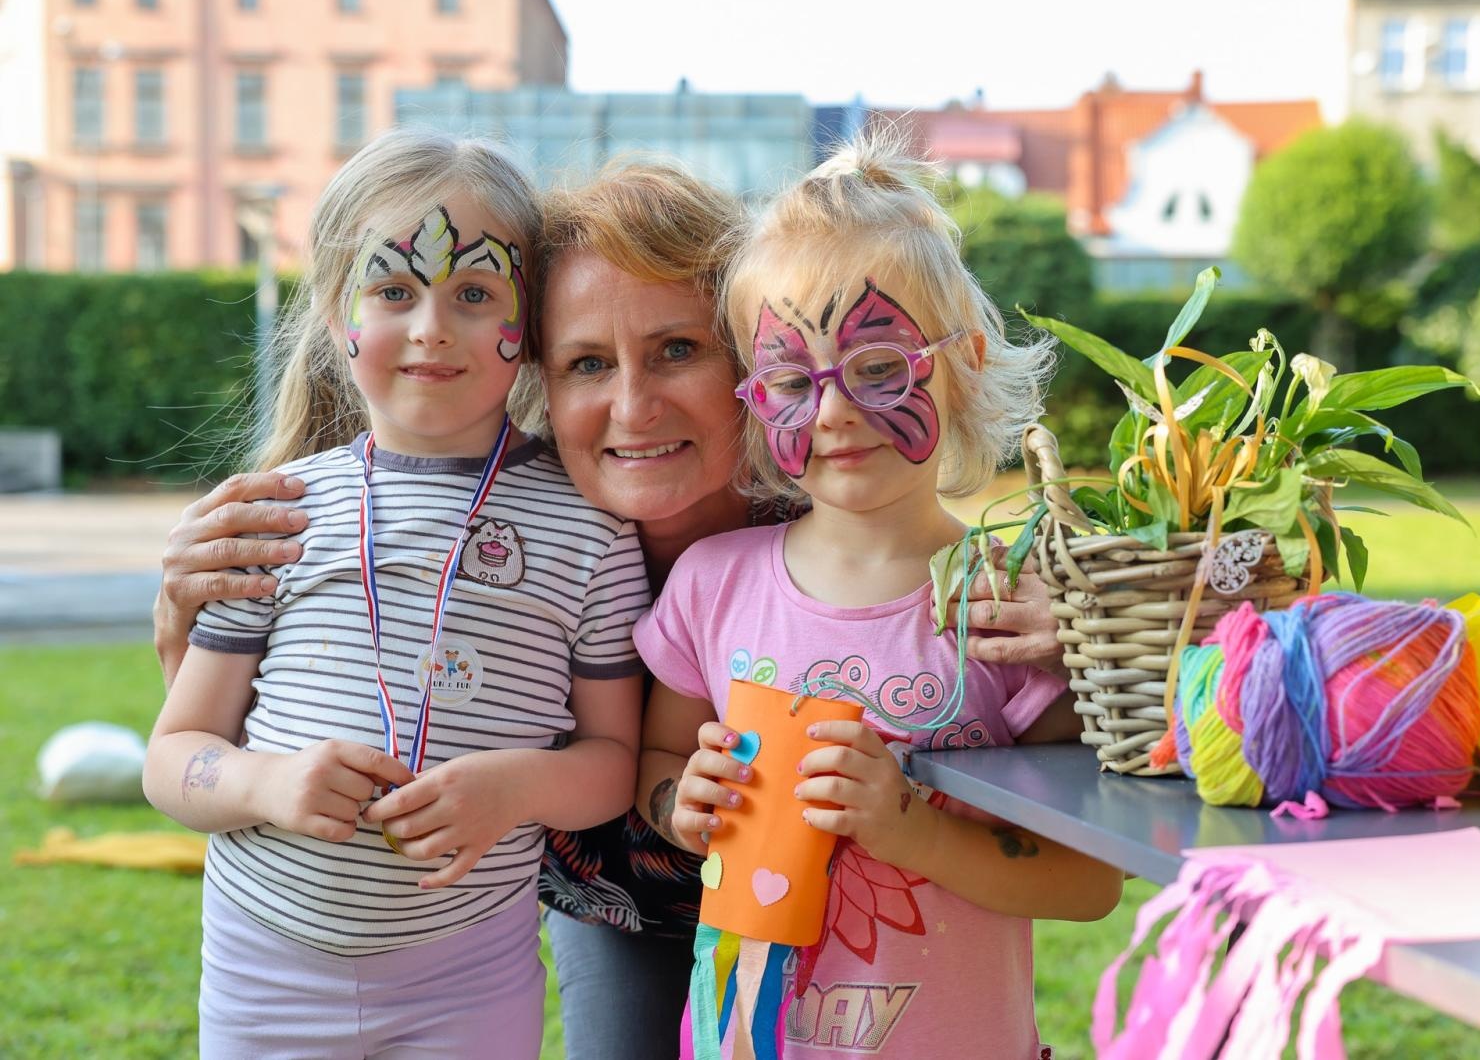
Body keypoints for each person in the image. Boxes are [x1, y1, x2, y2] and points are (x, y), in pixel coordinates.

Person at [152, 159, 1077, 1060]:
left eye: (678, 349)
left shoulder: (853, 514)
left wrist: (1105, 614)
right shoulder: (500, 533)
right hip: (617, 903)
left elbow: (1159, 644)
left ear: (751, 363)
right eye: (587, 362)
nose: (633, 406)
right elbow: (252, 721)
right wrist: (191, 626)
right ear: (538, 379)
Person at [141, 128, 649, 1058]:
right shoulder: (277, 515)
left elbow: (615, 757)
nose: (430, 326)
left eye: (474, 292)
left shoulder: (592, 529)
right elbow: (174, 757)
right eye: (392, 290)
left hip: (469, 975)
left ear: (526, 323)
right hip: (265, 972)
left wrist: (519, 785)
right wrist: (267, 781)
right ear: (338, 315)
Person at [634, 135, 1124, 1058]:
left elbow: (1087, 882)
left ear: (965, 362)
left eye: (879, 368)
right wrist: (678, 804)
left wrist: (909, 829)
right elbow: (661, 756)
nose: (831, 411)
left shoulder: (1012, 609)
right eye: (789, 380)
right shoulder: (713, 584)